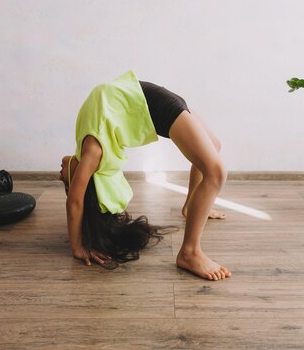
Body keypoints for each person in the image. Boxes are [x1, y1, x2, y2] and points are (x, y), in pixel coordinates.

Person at [59, 70, 231, 281]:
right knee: (216, 172)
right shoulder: (92, 153)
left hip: (152, 97)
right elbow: (75, 201)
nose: (60, 173)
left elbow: (76, 197)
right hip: (157, 107)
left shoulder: (84, 143)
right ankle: (190, 252)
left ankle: (190, 206)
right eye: (66, 179)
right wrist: (77, 247)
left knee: (214, 147)